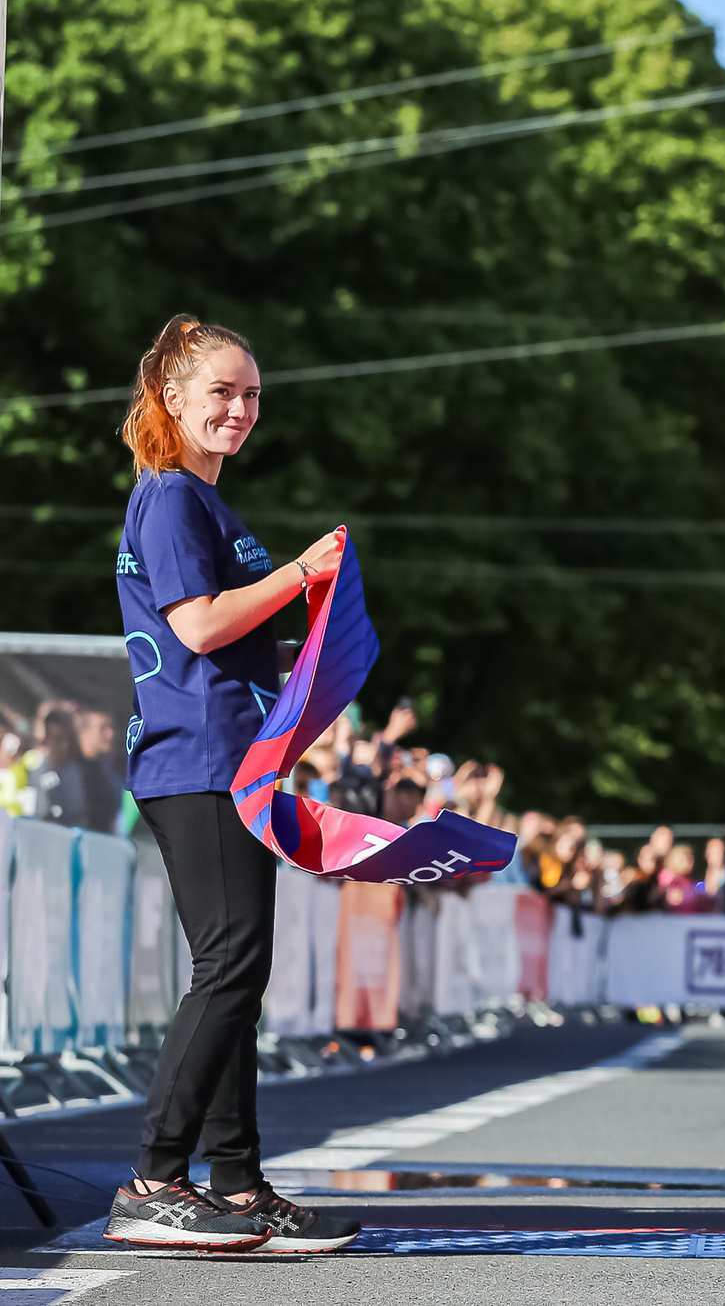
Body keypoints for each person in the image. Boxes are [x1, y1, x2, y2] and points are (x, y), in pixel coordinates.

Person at [106, 315, 359, 1255]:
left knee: (238, 971)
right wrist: (299, 575)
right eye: (223, 390)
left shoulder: (200, 503)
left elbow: (230, 638)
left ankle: (238, 1184)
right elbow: (202, 627)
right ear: (172, 397)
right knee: (230, 963)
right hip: (196, 760)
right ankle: (152, 1180)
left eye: (252, 393)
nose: (241, 409)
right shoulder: (170, 497)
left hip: (231, 758)